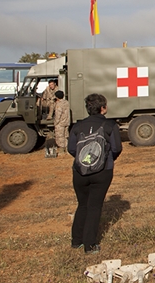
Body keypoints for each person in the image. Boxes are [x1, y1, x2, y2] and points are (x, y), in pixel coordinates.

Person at [67, 93, 122, 253]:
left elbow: (71, 149)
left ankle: (76, 241)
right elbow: (116, 148)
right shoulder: (110, 126)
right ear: (103, 108)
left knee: (82, 204)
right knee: (95, 206)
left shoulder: (77, 126)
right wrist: (106, 160)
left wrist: (85, 160)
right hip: (103, 171)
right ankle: (90, 244)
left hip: (79, 171)